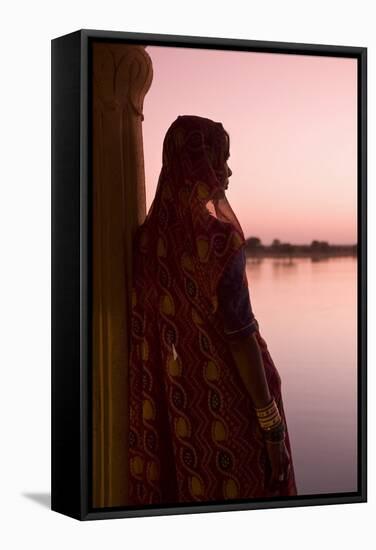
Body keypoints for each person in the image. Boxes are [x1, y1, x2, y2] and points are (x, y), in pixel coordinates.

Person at [128, 115, 297, 505]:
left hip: (180, 413)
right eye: (222, 158)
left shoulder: (146, 244)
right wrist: (271, 429)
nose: (227, 170)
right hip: (234, 411)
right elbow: (241, 338)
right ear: (199, 162)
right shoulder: (218, 241)